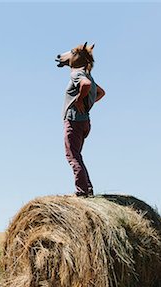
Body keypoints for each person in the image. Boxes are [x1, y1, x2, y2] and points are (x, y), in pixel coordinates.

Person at [57, 43, 105, 197]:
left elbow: (86, 85)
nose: (66, 56)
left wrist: (78, 100)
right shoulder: (88, 75)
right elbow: (101, 92)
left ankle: (82, 192)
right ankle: (88, 189)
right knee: (77, 156)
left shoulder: (77, 74)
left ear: (77, 57)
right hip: (84, 122)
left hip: (73, 121)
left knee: (72, 156)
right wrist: (88, 103)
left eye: (71, 52)